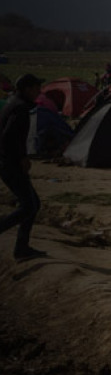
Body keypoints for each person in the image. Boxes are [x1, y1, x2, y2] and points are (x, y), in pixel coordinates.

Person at [0, 74, 48, 262]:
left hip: (8, 163)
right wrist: (21, 158)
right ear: (28, 89)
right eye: (37, 87)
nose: (39, 91)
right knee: (29, 205)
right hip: (10, 164)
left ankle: (22, 248)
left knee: (32, 204)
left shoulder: (13, 103)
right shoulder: (19, 108)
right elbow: (8, 137)